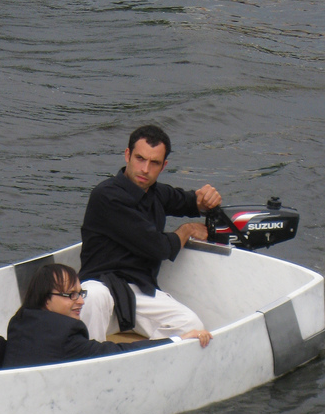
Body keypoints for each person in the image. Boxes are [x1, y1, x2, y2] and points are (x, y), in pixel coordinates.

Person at [79, 124, 222, 341]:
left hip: (139, 293)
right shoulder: (106, 196)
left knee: (191, 325)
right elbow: (159, 248)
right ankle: (87, 358)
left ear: (163, 166)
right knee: (93, 297)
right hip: (102, 287)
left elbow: (189, 201)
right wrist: (187, 230)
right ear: (127, 155)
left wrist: (205, 199)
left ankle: (142, 360)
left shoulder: (156, 193)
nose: (145, 169)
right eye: (140, 158)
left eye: (154, 163)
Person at [3, 263, 210, 369]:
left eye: (80, 293)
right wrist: (178, 340)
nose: (81, 301)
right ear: (46, 299)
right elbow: (116, 352)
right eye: (71, 295)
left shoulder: (18, 322)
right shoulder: (65, 334)